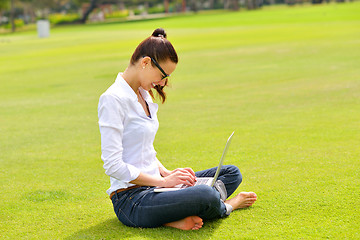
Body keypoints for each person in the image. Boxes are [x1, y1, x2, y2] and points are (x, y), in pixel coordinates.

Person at [98, 28, 257, 231]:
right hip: (132, 199)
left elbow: (143, 148)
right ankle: (225, 206)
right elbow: (113, 165)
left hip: (157, 188)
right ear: (145, 63)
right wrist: (162, 182)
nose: (163, 83)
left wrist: (166, 173)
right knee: (205, 194)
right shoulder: (113, 99)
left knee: (231, 173)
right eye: (163, 75)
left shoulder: (143, 95)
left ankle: (175, 213)